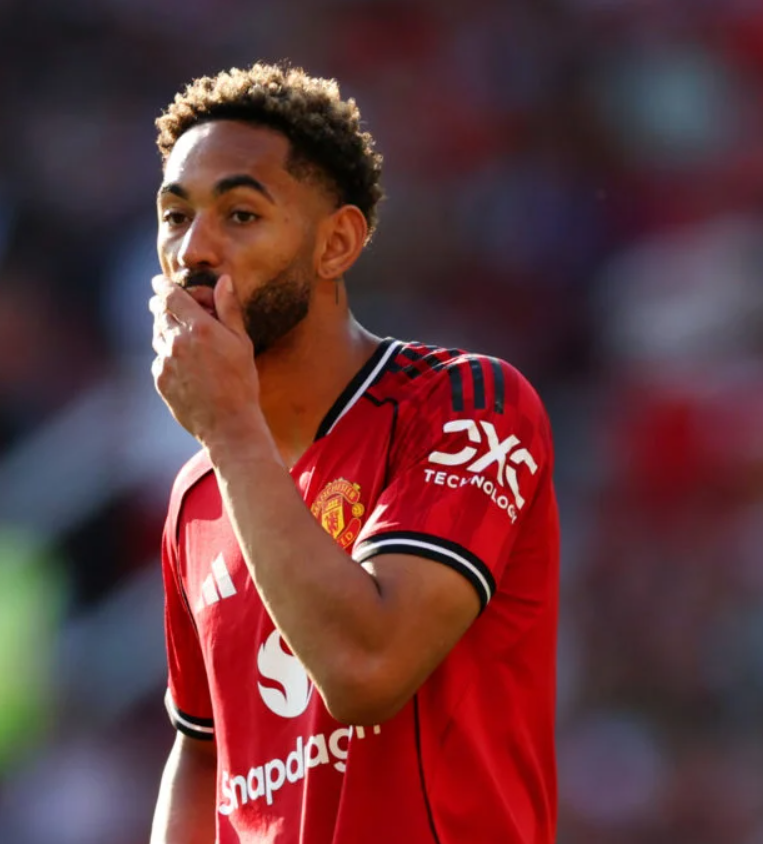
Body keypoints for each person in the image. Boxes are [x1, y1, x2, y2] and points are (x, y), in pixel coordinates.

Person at [148, 62, 559, 844]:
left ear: (336, 243)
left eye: (240, 214)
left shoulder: (466, 404)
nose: (193, 250)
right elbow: (202, 754)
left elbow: (366, 668)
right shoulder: (199, 495)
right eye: (175, 216)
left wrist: (230, 428)